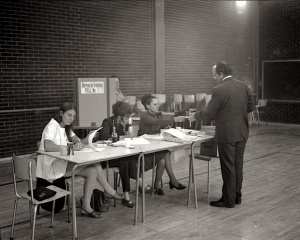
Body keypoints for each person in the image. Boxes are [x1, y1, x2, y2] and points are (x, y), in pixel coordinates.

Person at [36, 102, 124, 218]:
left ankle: (86, 207)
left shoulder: (66, 128)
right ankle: (110, 191)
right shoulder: (52, 125)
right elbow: (47, 146)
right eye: (69, 115)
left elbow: (80, 143)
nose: (71, 119)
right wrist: (70, 147)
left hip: (61, 163)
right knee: (95, 163)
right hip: (52, 167)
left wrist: (89, 137)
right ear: (61, 113)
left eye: (73, 116)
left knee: (92, 171)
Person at [190, 62, 255, 208]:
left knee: (228, 167)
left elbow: (208, 112)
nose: (214, 78)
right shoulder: (244, 86)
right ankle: (237, 197)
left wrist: (195, 116)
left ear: (221, 74)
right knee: (238, 166)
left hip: (227, 134)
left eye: (214, 75)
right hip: (242, 132)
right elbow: (249, 108)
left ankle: (228, 200)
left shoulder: (219, 89)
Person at [138, 94, 187, 195]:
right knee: (166, 153)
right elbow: (157, 122)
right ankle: (172, 180)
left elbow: (159, 126)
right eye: (155, 104)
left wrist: (166, 127)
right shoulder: (145, 117)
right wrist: (175, 119)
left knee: (163, 161)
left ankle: (157, 186)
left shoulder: (156, 115)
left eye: (158, 104)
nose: (157, 106)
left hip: (153, 147)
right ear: (147, 106)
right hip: (143, 151)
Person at [93, 101, 136, 208]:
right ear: (119, 116)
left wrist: (129, 134)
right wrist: (119, 137)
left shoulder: (125, 124)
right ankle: (131, 189)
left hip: (119, 154)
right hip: (106, 157)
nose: (127, 120)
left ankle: (127, 192)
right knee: (125, 162)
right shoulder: (108, 121)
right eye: (126, 117)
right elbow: (103, 136)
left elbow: (130, 138)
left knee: (129, 160)